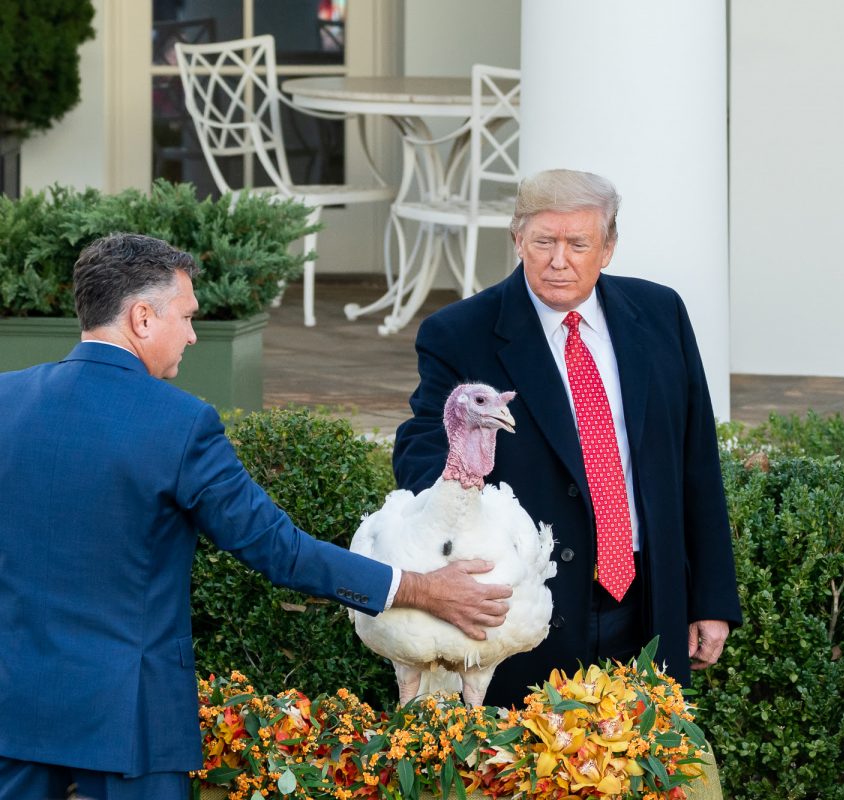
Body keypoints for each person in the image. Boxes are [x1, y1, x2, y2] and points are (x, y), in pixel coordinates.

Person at [0, 233, 512, 800]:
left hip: (14, 707)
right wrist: (420, 588)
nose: (194, 335)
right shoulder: (180, 423)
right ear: (142, 318)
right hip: (130, 718)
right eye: (188, 317)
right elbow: (279, 550)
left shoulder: (6, 400)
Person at [392, 168, 742, 708]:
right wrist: (452, 525)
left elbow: (697, 462)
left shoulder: (661, 314)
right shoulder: (459, 333)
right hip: (527, 609)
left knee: (645, 776)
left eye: (578, 243)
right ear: (517, 241)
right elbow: (422, 448)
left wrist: (711, 597)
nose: (560, 260)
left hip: (647, 598)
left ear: (608, 248)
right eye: (544, 242)